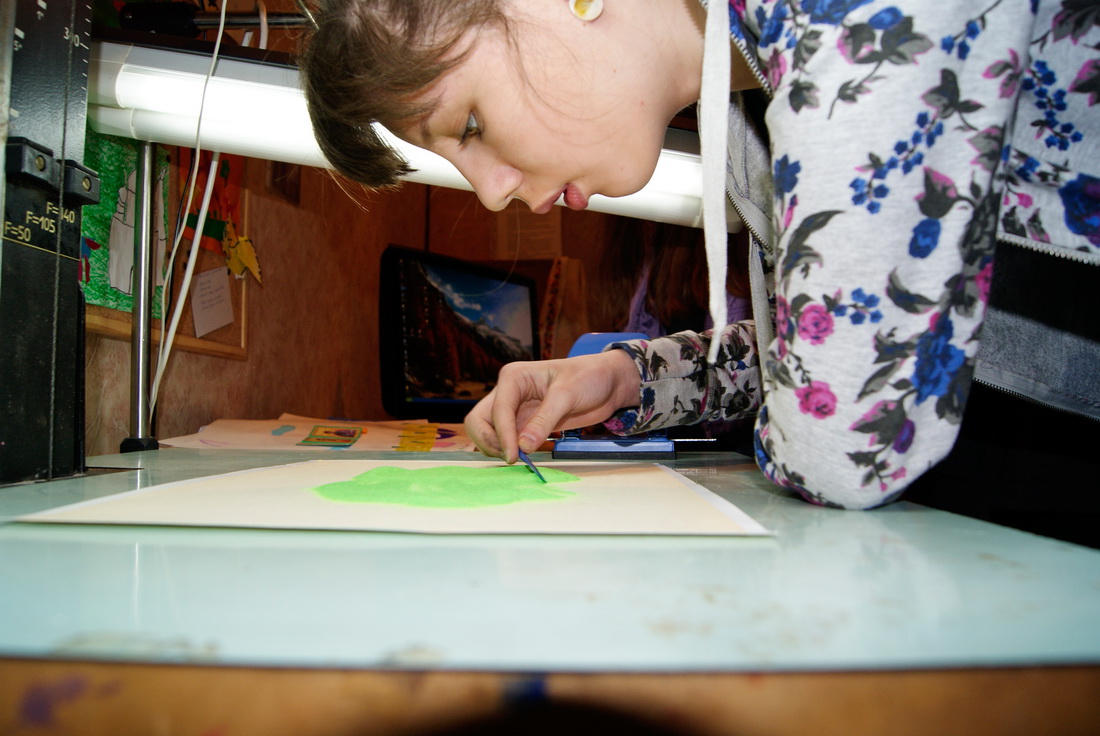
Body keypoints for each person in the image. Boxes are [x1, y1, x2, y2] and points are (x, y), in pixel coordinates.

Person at [299, 1, 1100, 545]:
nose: (491, 192)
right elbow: (830, 354)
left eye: (468, 123)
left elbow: (844, 446)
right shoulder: (748, 108)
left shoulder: (841, 19)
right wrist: (632, 379)